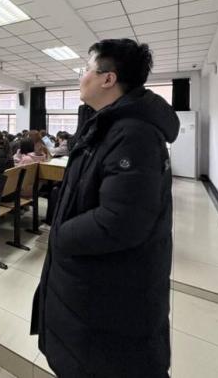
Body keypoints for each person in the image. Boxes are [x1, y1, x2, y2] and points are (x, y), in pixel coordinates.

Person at [31, 39, 180, 377]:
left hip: (108, 294)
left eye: (87, 69)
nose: (81, 76)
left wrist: (60, 236)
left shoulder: (133, 134)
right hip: (91, 287)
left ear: (108, 79)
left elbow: (120, 221)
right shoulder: (105, 126)